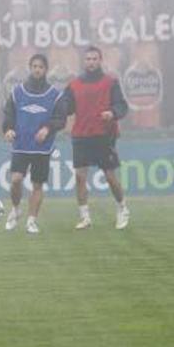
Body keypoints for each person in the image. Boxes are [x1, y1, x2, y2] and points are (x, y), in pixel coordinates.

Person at [55, 46, 130, 230]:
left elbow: (122, 106)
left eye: (94, 58)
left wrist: (112, 113)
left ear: (100, 60)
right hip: (81, 136)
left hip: (104, 135)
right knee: (80, 177)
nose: (91, 62)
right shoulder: (74, 85)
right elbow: (67, 107)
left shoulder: (110, 82)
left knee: (110, 176)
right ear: (84, 61)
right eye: (88, 59)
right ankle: (84, 217)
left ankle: (122, 208)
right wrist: (59, 110)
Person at [2, 54, 63, 234]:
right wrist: (8, 129)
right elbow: (8, 115)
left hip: (42, 148)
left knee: (37, 185)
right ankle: (15, 209)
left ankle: (31, 221)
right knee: (16, 180)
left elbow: (60, 119)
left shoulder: (54, 95)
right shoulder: (17, 92)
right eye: (34, 66)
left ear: (46, 70)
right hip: (21, 145)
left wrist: (47, 128)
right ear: (30, 68)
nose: (37, 69)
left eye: (41, 67)